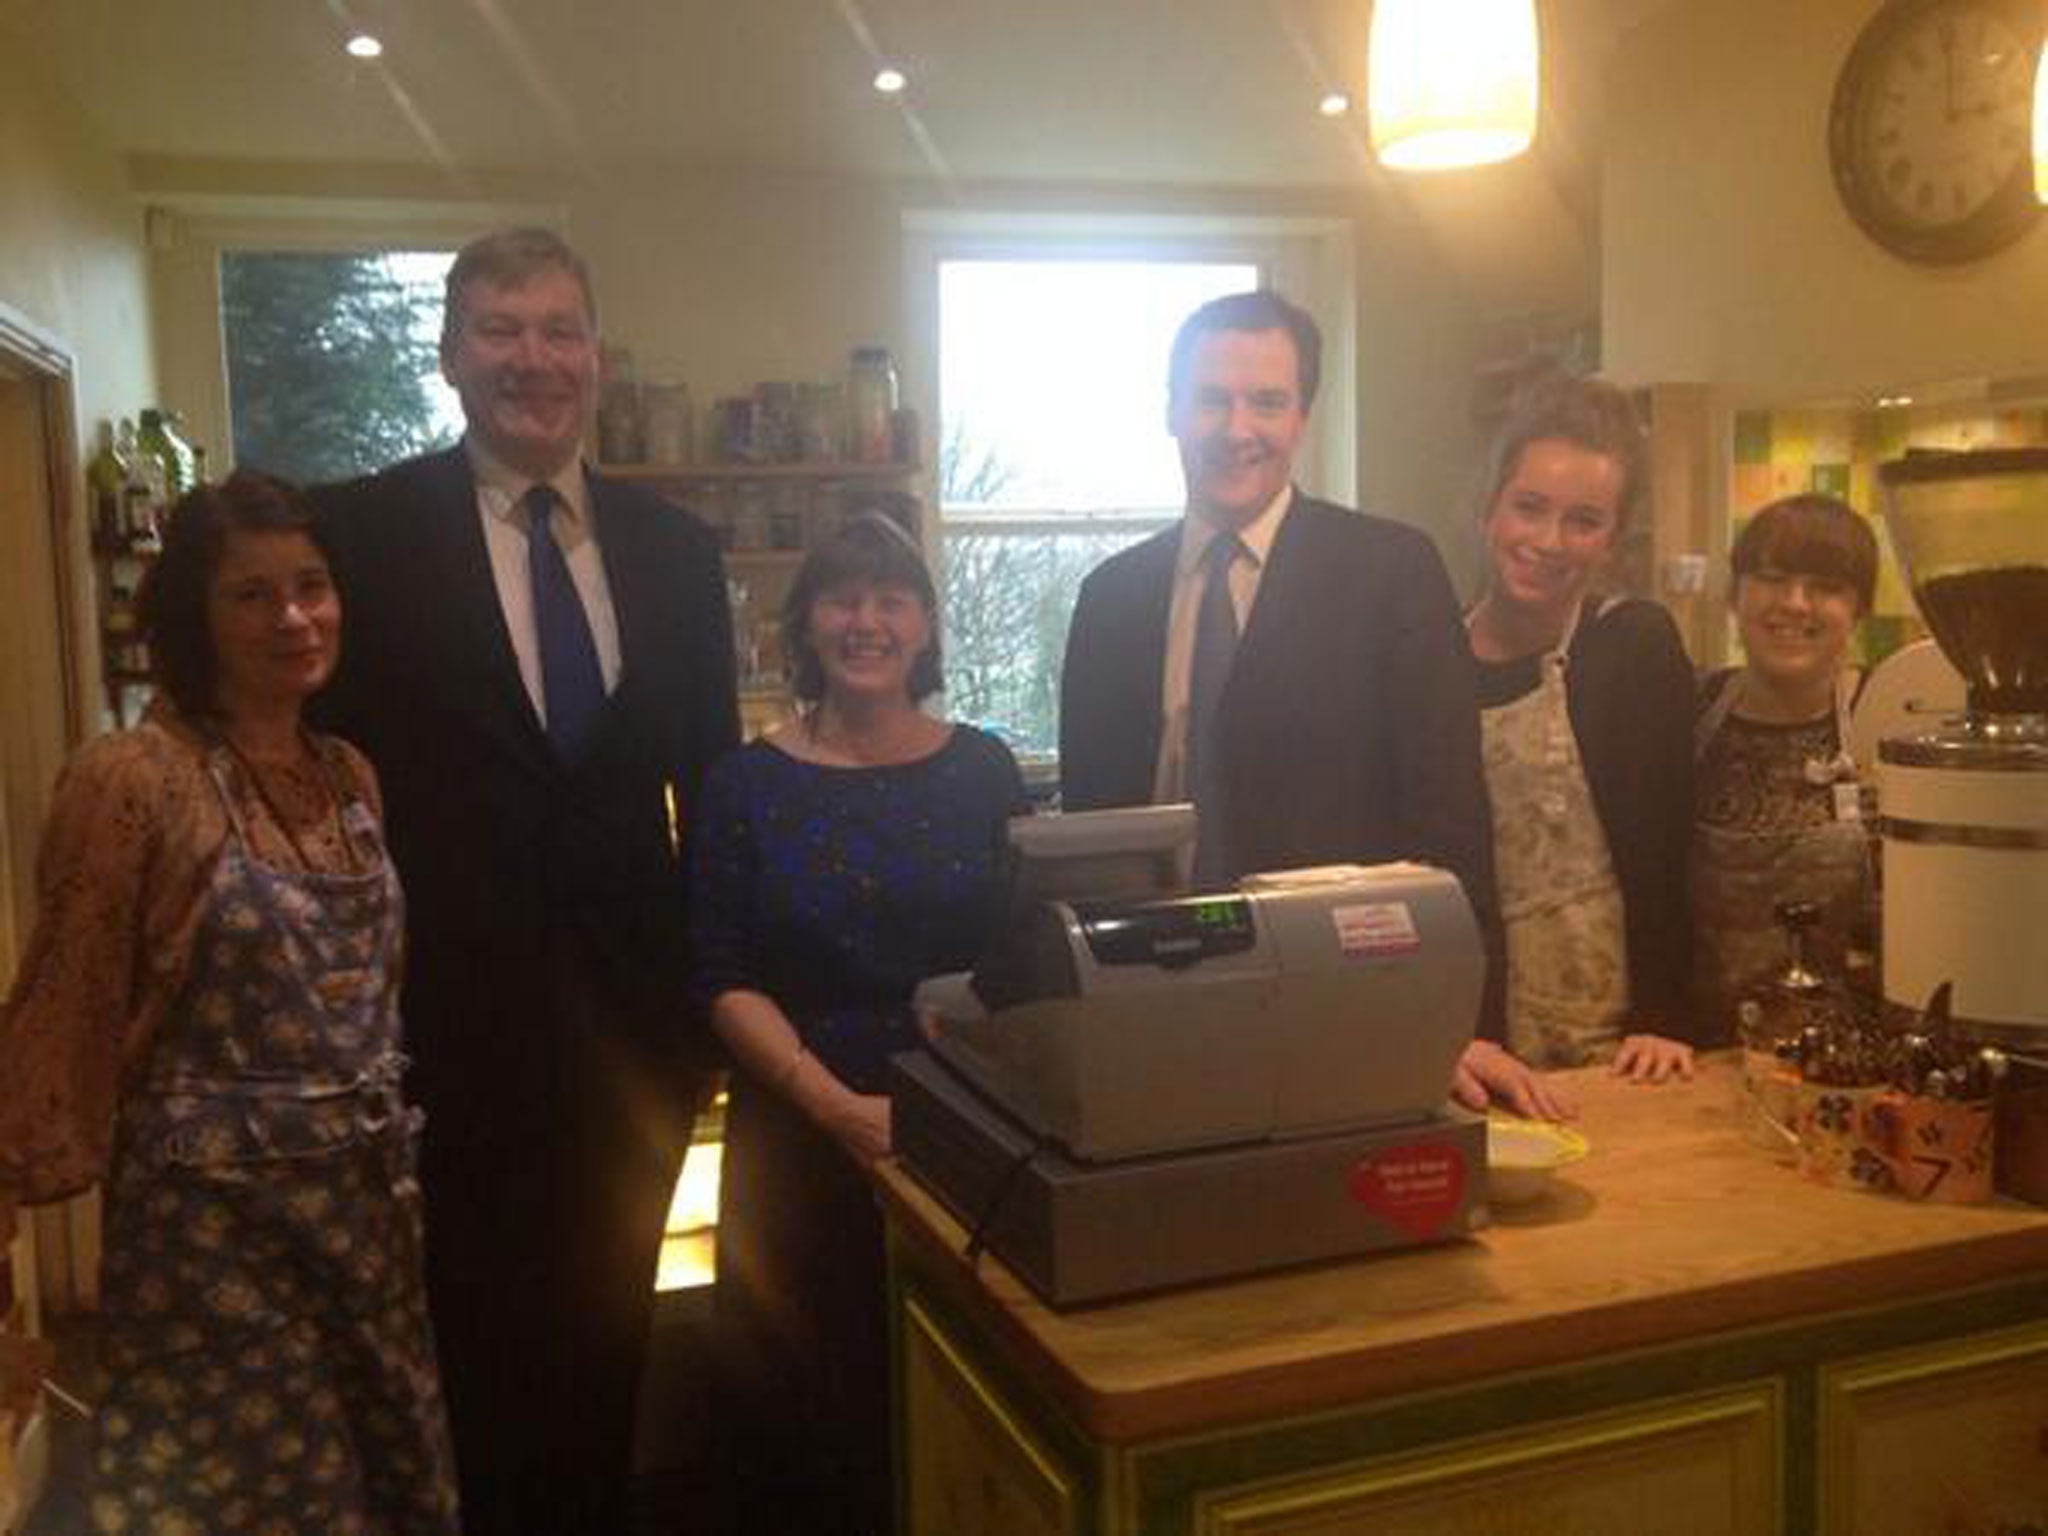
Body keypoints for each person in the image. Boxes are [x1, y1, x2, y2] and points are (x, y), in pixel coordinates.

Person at [314, 227, 739, 1534]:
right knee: (459, 1358)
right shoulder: (361, 537)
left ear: (596, 360)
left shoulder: (677, 554)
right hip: (436, 1038)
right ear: (451, 356)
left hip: (632, 1049)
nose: (532, 359)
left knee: (609, 1347)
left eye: (559, 330)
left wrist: (706, 1017)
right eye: (500, 329)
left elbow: (717, 793)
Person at [0, 473, 459, 1532]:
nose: (294, 618)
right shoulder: (132, 780)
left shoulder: (349, 777)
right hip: (212, 1253)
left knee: (384, 1495)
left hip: (366, 1233)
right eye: (251, 595)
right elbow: (62, 1009)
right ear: (192, 617)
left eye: (312, 586)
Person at [1060, 288, 1568, 1121]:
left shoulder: (1392, 573)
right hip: (1153, 1009)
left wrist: (1462, 1024)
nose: (1237, 428)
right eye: (1212, 399)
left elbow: (1451, 824)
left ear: (1302, 417)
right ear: (1171, 412)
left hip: (1346, 1003)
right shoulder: (1110, 599)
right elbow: (1090, 834)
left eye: (1267, 401)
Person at [689, 514, 1026, 1535]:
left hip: (961, 1142)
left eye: (889, 600)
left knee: (958, 1409)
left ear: (924, 626)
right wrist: (833, 1107)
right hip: (796, 1143)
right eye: (841, 599)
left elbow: (1022, 957)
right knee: (807, 1433)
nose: (865, 622)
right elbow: (716, 975)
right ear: (805, 626)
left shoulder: (984, 769)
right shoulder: (741, 784)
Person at [1463, 374, 1700, 1080]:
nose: (1548, 540)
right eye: (1529, 508)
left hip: (1618, 1044)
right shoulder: (1430, 659)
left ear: (1613, 538)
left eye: (1583, 521)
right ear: (1490, 509)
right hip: (1476, 1045)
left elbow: (1667, 850)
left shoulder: (1633, 645)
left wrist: (1662, 1017)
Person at [1693, 492, 1880, 1036]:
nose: (1795, 603)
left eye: (1826, 587)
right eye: (1772, 578)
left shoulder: (1882, 721)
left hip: (1842, 1062)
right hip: (1687, 1055)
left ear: (1860, 608)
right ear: (1735, 595)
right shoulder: (1684, 710)